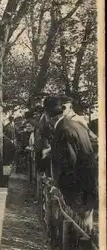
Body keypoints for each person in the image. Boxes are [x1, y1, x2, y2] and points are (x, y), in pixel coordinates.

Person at [44, 96, 98, 232]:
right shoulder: (76, 125)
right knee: (85, 230)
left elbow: (68, 164)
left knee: (77, 230)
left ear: (47, 115)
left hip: (76, 190)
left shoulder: (62, 131)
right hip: (89, 184)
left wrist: (57, 186)